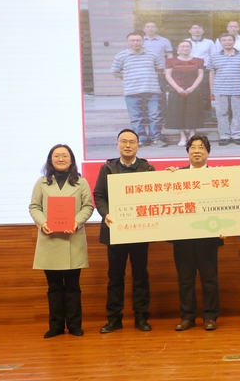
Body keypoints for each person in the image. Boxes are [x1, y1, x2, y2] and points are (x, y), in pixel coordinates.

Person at [93, 129, 155, 333]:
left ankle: (141, 317)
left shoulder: (147, 168)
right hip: (115, 230)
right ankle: (114, 319)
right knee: (115, 277)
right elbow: (99, 195)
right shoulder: (107, 168)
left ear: (138, 145)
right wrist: (106, 214)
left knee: (140, 275)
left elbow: (156, 195)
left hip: (139, 231)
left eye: (132, 142)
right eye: (124, 141)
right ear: (117, 144)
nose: (128, 145)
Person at [29, 144, 94, 338]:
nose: (60, 159)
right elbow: (34, 207)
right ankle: (56, 326)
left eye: (65, 156)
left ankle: (74, 325)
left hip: (72, 239)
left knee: (73, 286)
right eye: (56, 156)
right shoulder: (41, 183)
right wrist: (42, 223)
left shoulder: (81, 182)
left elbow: (88, 207)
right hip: (50, 240)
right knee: (54, 287)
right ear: (50, 160)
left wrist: (76, 222)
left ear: (71, 159)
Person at [167, 135, 224, 331]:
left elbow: (224, 205)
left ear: (208, 152)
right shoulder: (176, 175)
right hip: (183, 238)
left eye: (201, 147)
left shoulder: (217, 178)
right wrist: (167, 179)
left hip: (208, 238)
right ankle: (188, 317)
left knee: (209, 280)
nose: (197, 151)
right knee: (185, 280)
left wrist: (226, 226)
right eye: (193, 147)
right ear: (187, 152)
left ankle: (210, 317)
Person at [111, 31, 166, 147]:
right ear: (127, 42)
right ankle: (140, 139)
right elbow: (115, 72)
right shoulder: (120, 56)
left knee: (155, 116)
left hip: (152, 90)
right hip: (131, 91)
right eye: (132, 40)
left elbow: (160, 69)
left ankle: (156, 138)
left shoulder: (153, 54)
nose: (135, 43)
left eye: (138, 40)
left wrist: (147, 76)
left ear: (143, 41)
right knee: (136, 118)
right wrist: (129, 78)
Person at [207, 33, 240, 146]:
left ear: (234, 41)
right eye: (224, 40)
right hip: (220, 88)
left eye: (229, 40)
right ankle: (224, 136)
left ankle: (237, 135)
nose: (227, 42)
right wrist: (212, 88)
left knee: (238, 113)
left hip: (238, 88)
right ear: (220, 42)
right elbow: (211, 73)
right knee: (221, 113)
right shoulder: (214, 56)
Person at [164, 40, 204, 146]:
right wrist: (178, 88)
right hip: (176, 91)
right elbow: (168, 75)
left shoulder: (198, 60)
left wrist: (192, 88)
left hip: (193, 91)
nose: (185, 48)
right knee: (178, 113)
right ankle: (182, 136)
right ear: (178, 49)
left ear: (191, 48)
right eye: (182, 46)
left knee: (193, 112)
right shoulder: (171, 61)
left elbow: (200, 75)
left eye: (187, 46)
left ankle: (192, 135)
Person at [143, 22, 173, 119]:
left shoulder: (164, 41)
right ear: (144, 29)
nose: (150, 28)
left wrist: (169, 69)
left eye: (152, 27)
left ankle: (163, 115)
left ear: (157, 29)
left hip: (160, 72)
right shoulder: (139, 40)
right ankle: (146, 116)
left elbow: (169, 56)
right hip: (144, 72)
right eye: (148, 27)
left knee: (161, 93)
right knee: (144, 93)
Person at [186, 23, 216, 117]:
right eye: (194, 28)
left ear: (203, 31)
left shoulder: (209, 42)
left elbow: (213, 56)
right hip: (188, 69)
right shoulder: (185, 42)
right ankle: (191, 113)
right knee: (190, 90)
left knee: (204, 91)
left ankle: (206, 113)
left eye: (199, 28)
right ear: (190, 31)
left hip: (205, 68)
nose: (197, 30)